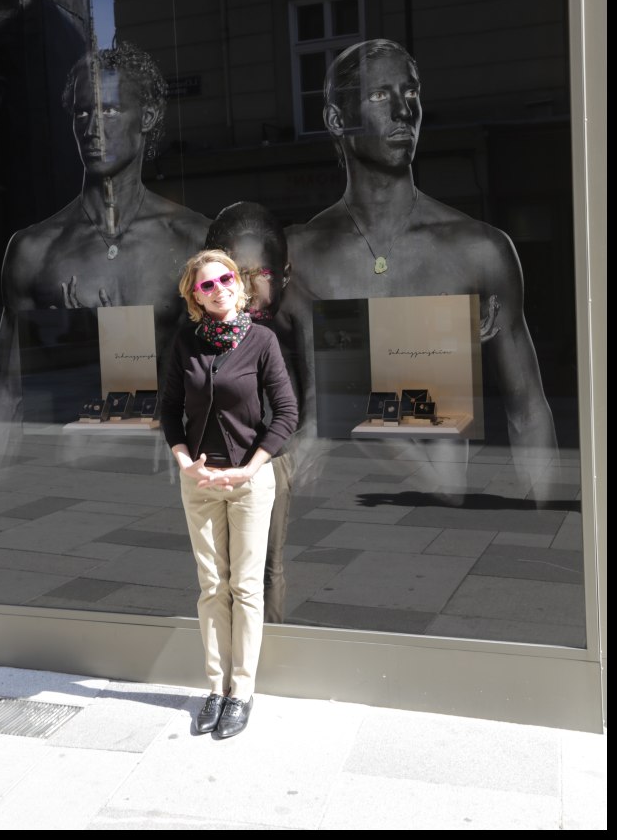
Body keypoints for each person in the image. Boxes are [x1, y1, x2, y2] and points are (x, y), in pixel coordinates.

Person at [284, 38, 559, 507]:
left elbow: (527, 409)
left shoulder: (479, 249)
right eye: (379, 95)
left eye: (410, 92)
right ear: (335, 119)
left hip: (436, 515)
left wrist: (546, 521)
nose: (403, 110)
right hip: (327, 517)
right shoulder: (298, 254)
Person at [0, 41, 210, 453]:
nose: (92, 128)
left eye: (109, 110)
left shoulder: (194, 239)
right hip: (70, 458)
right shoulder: (34, 249)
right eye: (82, 113)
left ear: (147, 116)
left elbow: (228, 377)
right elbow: (9, 389)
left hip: (171, 460)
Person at [160, 249, 298, 737]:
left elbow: (286, 413)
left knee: (246, 587)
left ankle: (242, 691)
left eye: (225, 279)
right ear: (195, 297)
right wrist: (185, 462)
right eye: (206, 285)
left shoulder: (261, 340)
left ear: (239, 284)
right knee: (212, 587)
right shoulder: (186, 342)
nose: (218, 288)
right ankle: (216, 688)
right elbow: (170, 409)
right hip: (199, 481)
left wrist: (250, 468)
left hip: (249, 483)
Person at [204, 201, 306, 623]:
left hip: (271, 459)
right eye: (233, 275)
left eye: (257, 274)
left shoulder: (283, 331)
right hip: (218, 460)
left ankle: (270, 642)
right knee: (223, 569)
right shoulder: (205, 333)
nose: (244, 289)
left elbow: (297, 406)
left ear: (284, 274)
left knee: (267, 563)